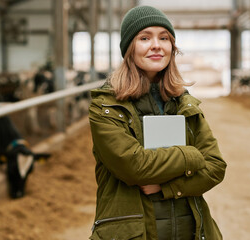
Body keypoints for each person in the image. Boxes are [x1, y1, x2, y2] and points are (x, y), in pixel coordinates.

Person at [88, 5, 227, 240]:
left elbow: (215, 166)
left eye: (164, 38)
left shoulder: (184, 103)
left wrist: (166, 188)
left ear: (172, 48)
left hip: (190, 231)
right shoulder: (106, 106)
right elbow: (134, 166)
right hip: (132, 232)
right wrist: (190, 156)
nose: (156, 45)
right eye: (144, 37)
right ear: (129, 48)